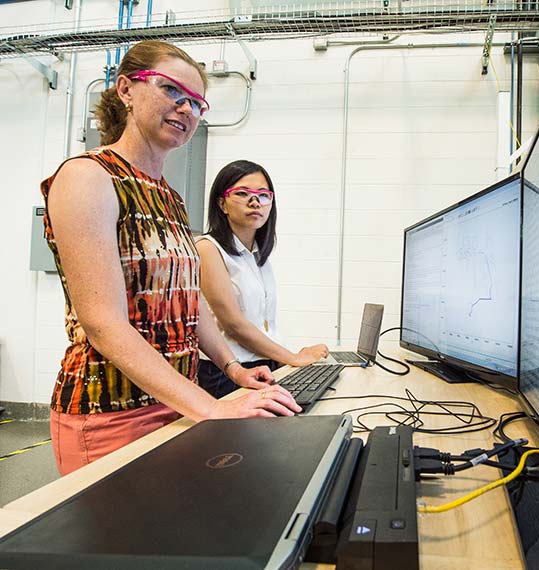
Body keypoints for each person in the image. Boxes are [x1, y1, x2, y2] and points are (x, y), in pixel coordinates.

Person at [41, 40, 300, 476]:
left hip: (176, 399)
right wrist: (212, 410)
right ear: (126, 89)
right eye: (171, 91)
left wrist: (233, 370)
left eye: (197, 102)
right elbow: (103, 325)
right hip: (111, 410)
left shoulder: (171, 199)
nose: (186, 109)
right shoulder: (88, 177)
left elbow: (188, 301)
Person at [195, 160, 329, 398]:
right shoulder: (208, 248)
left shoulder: (258, 256)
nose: (255, 201)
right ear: (222, 203)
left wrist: (288, 359)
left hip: (264, 366)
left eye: (263, 195)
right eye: (243, 193)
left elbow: (261, 325)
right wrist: (294, 358)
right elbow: (234, 326)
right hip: (227, 373)